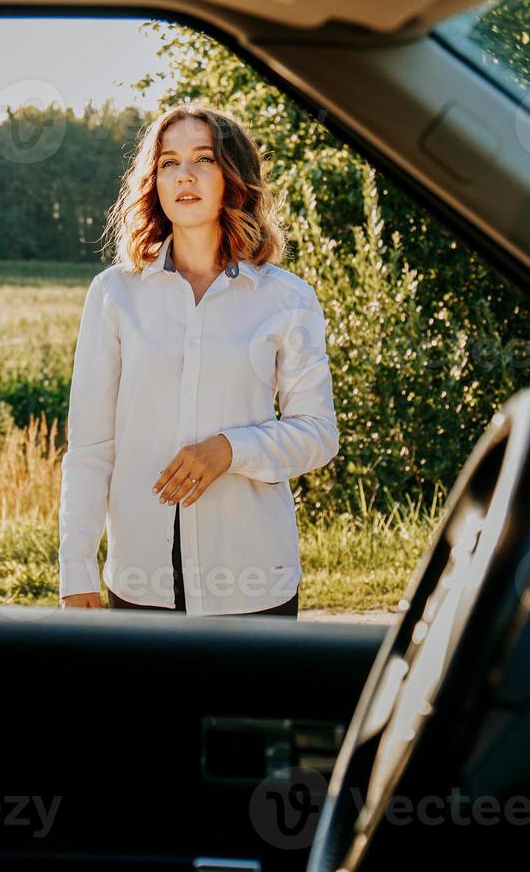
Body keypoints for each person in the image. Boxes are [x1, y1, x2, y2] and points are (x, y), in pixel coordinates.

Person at [57, 104, 340, 618]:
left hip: (255, 579)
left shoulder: (286, 299)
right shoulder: (115, 294)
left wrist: (231, 449)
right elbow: (91, 445)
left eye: (203, 159)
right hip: (142, 581)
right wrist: (76, 566)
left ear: (233, 179)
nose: (184, 175)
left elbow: (319, 433)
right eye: (168, 162)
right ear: (153, 182)